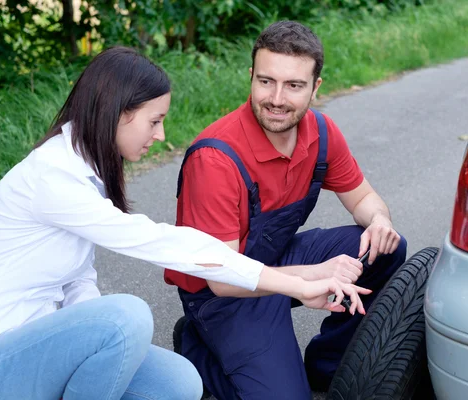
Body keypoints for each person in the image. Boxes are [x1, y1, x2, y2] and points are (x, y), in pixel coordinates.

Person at [0, 46, 370, 400]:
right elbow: (168, 245)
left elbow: (78, 278)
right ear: (119, 112)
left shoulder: (86, 170)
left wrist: (94, 338)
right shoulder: (53, 179)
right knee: (127, 317)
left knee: (180, 384)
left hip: (44, 343)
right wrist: (300, 286)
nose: (161, 134)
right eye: (154, 121)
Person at [164, 21, 408, 400]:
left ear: (315, 87)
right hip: (222, 295)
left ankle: (327, 365)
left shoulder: (321, 132)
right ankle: (197, 347)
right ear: (251, 77)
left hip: (274, 260)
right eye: (266, 81)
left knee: (386, 247)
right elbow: (225, 279)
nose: (276, 98)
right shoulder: (215, 158)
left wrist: (380, 221)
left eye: (293, 85)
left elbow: (363, 200)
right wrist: (315, 275)